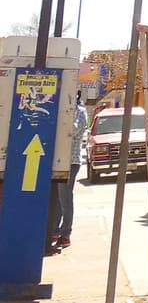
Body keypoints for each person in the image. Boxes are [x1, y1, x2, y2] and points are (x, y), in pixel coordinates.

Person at [51, 90, 88, 250]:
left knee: (65, 197)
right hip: (58, 161)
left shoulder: (79, 112)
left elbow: (71, 132)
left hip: (71, 162)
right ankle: (55, 231)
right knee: (58, 198)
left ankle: (66, 234)